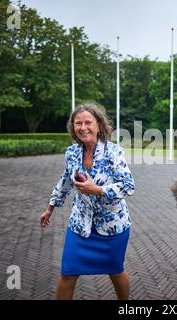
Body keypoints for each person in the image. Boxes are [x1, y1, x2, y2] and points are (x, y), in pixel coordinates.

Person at [39, 104, 135, 300]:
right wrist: (50, 208)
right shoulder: (72, 153)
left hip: (112, 227)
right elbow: (65, 181)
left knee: (116, 271)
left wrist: (97, 190)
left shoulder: (113, 152)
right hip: (80, 224)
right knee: (68, 273)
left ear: (99, 125)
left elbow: (128, 185)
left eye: (88, 122)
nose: (83, 127)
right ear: (73, 128)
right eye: (78, 123)